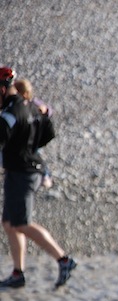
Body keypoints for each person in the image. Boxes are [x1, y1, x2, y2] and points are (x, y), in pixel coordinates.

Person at [0, 66, 77, 289]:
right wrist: (29, 147)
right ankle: (18, 273)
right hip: (25, 169)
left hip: (24, 172)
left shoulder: (11, 113)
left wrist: (23, 151)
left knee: (21, 223)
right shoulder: (31, 106)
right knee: (9, 223)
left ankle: (64, 259)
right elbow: (49, 133)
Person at [14, 78, 53, 186]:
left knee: (35, 154)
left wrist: (44, 111)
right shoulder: (18, 106)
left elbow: (48, 111)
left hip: (33, 136)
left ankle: (45, 174)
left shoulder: (33, 103)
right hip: (26, 136)